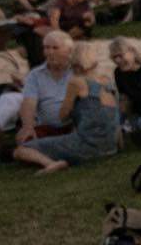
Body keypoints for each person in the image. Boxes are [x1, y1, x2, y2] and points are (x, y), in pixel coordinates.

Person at [12, 46, 118, 175]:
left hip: (87, 145)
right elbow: (114, 115)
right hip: (111, 146)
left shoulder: (76, 82)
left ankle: (51, 164)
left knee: (21, 150)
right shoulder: (107, 81)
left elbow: (63, 115)